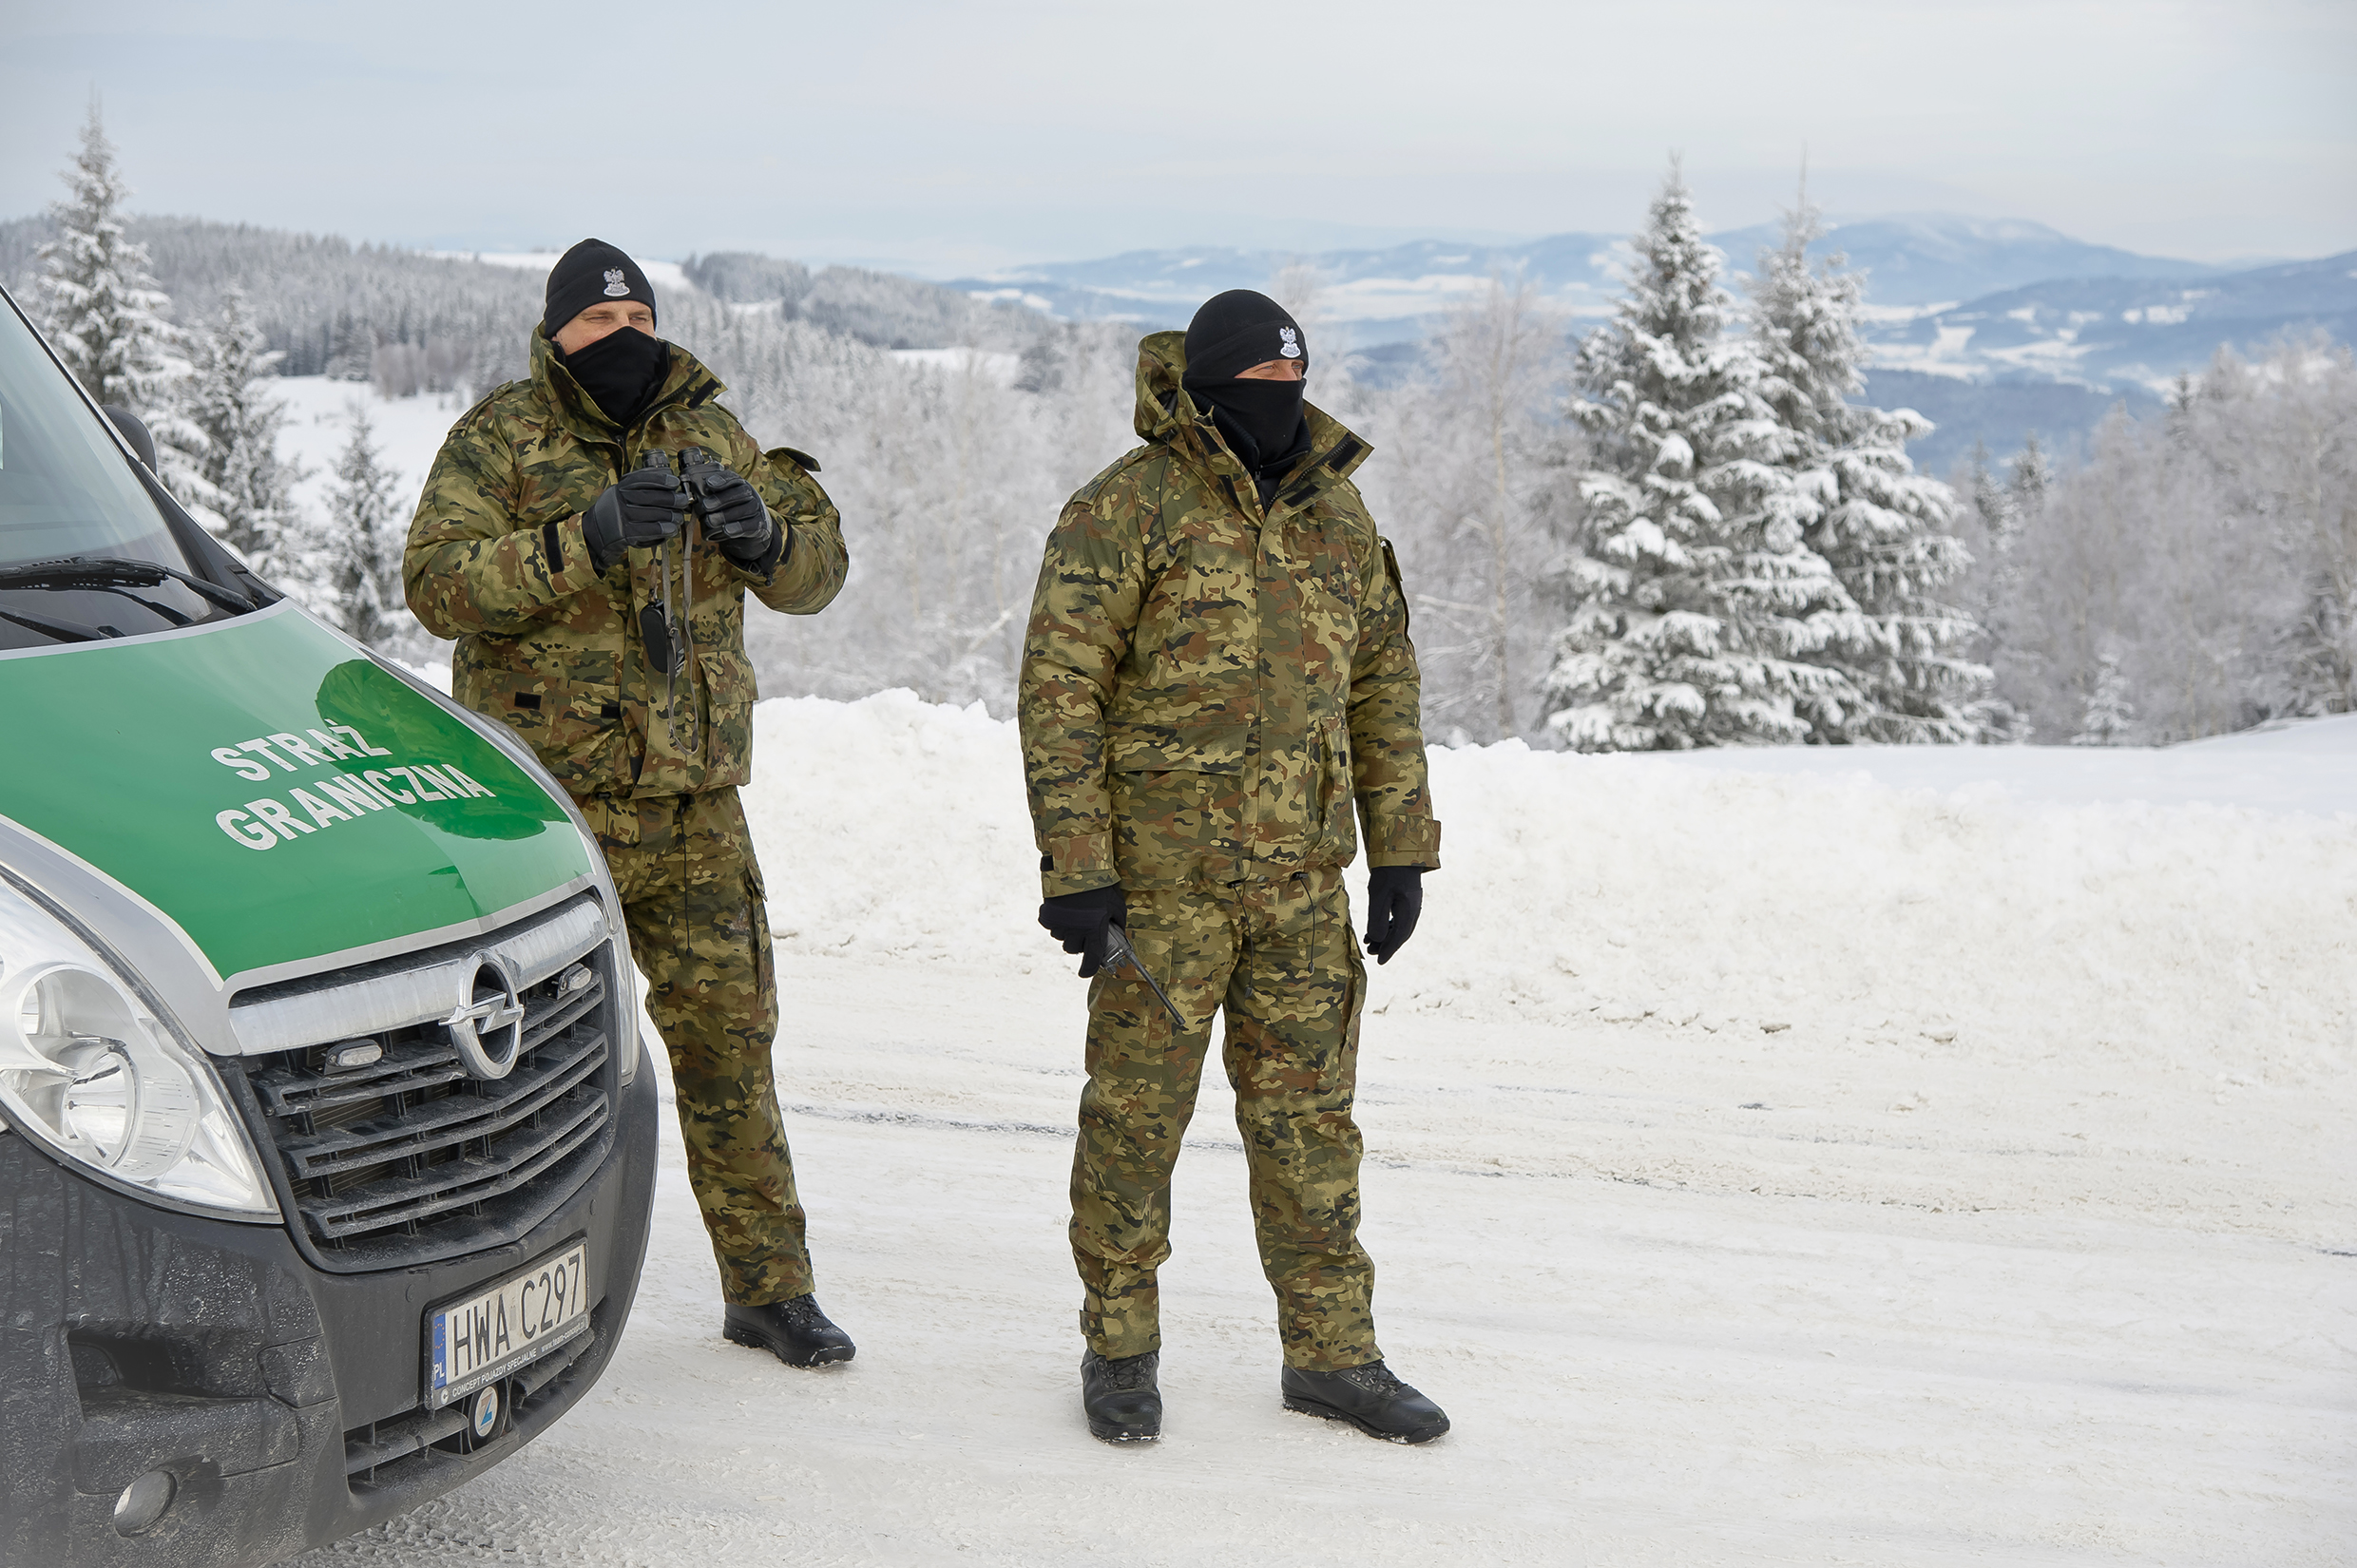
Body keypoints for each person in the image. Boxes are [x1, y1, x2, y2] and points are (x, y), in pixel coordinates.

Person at [405, 239, 856, 1368]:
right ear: (557, 332)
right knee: (519, 1070)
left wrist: (765, 536)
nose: (625, 338)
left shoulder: (712, 433)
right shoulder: (500, 437)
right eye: (601, 323)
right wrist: (587, 538)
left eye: (639, 319)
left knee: (730, 1051)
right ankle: (492, 1304)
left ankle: (769, 1291)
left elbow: (818, 573)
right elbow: (436, 586)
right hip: (544, 818)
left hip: (694, 811)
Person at [1017, 289, 1448, 1444]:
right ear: (1203, 388)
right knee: (1133, 1125)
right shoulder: (1126, 506)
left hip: (1302, 889)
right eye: (1257, 385)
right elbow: (1059, 692)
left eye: (1293, 383)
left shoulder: (1337, 514)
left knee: (1311, 1129)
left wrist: (1400, 848)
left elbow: (1381, 686)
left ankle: (1332, 1356)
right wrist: (1076, 868)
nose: (1280, 402)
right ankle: (1118, 1349)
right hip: (1160, 893)